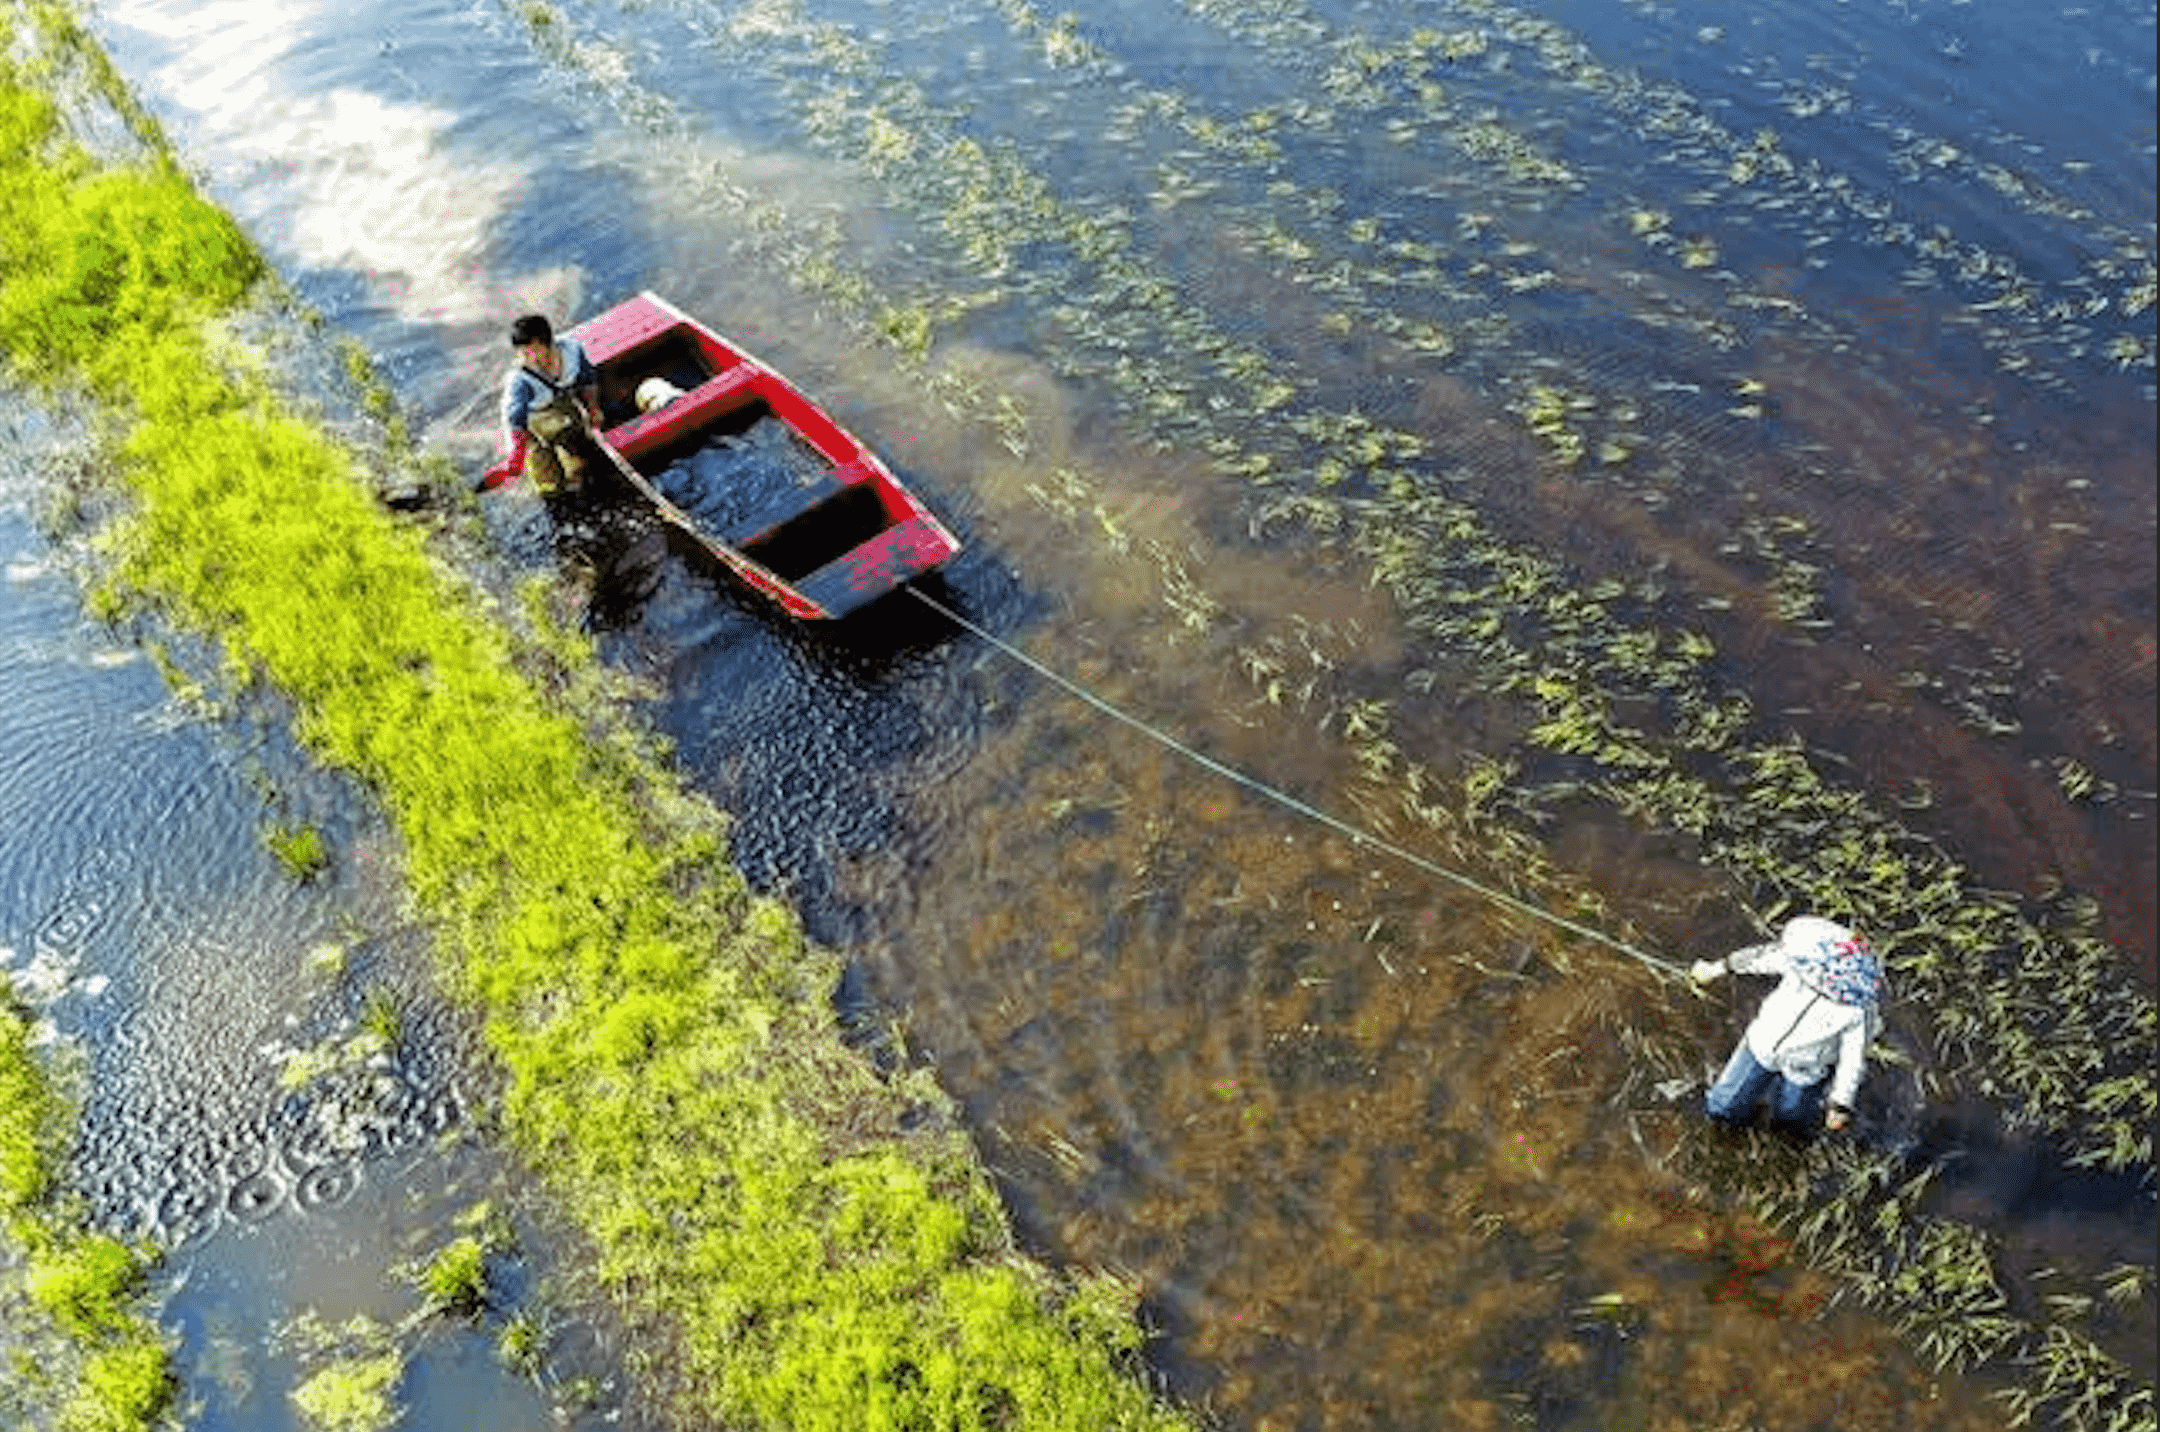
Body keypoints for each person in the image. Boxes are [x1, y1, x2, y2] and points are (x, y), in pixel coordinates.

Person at [1690, 915, 1883, 1134]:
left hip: (1807, 1067)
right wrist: (1715, 969)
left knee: (1791, 1120)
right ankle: (1719, 1132)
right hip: (1761, 1046)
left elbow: (1852, 1060)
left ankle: (1785, 1138)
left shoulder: (1857, 1010)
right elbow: (1756, 959)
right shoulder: (1803, 962)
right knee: (1723, 1106)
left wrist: (1840, 1103)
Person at [481, 313, 604, 494]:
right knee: (547, 482)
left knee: (578, 464)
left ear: (544, 343)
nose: (526, 357)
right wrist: (516, 458)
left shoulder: (571, 350)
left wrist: (594, 408)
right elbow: (515, 417)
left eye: (531, 350)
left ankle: (580, 483)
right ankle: (554, 494)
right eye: (522, 352)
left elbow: (587, 379)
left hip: (559, 408)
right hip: (531, 419)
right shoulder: (519, 380)